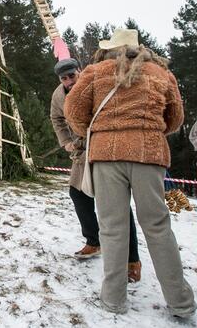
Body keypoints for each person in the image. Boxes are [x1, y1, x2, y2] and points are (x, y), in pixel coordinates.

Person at [64, 28, 196, 318]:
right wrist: (148, 128)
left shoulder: (95, 72)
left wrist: (97, 129)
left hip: (106, 154)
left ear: (109, 49)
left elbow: (72, 110)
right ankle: (181, 302)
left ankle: (113, 298)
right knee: (158, 228)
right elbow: (175, 119)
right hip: (149, 153)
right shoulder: (160, 73)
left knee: (112, 227)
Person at [49, 58, 142, 281]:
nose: (69, 81)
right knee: (77, 193)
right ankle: (93, 241)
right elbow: (56, 118)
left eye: (72, 75)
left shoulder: (97, 84)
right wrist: (66, 141)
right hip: (81, 151)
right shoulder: (58, 95)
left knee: (116, 202)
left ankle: (132, 260)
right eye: (64, 78)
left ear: (80, 71)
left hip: (105, 147)